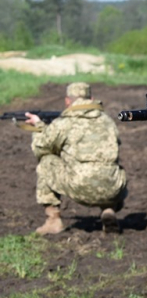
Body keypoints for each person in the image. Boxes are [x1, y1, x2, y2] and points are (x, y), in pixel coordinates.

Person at [24, 82, 127, 234]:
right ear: (91, 98)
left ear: (67, 101)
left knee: (46, 161)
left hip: (80, 186)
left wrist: (38, 127)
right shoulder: (107, 121)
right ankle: (108, 208)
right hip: (112, 189)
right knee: (110, 166)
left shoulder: (64, 123)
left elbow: (40, 148)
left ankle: (53, 220)